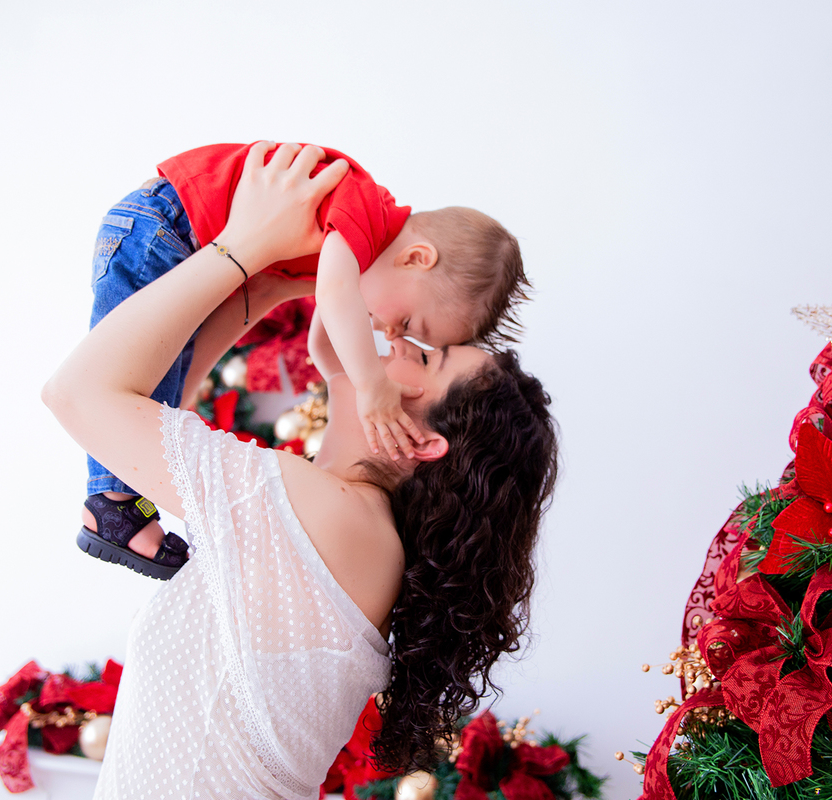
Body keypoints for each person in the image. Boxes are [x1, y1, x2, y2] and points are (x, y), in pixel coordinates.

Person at [43, 143, 558, 799]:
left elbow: (80, 393)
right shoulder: (344, 530)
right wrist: (268, 283)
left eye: (425, 359)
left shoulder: (333, 517)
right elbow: (146, 404)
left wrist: (240, 248)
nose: (394, 340)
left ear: (426, 443)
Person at [78, 141, 529, 580]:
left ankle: (112, 501)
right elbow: (334, 299)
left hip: (167, 232)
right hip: (162, 226)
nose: (392, 336)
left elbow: (325, 337)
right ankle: (111, 501)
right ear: (416, 258)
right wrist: (373, 385)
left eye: (411, 336)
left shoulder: (349, 250)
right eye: (409, 322)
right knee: (129, 367)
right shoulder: (365, 212)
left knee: (155, 368)